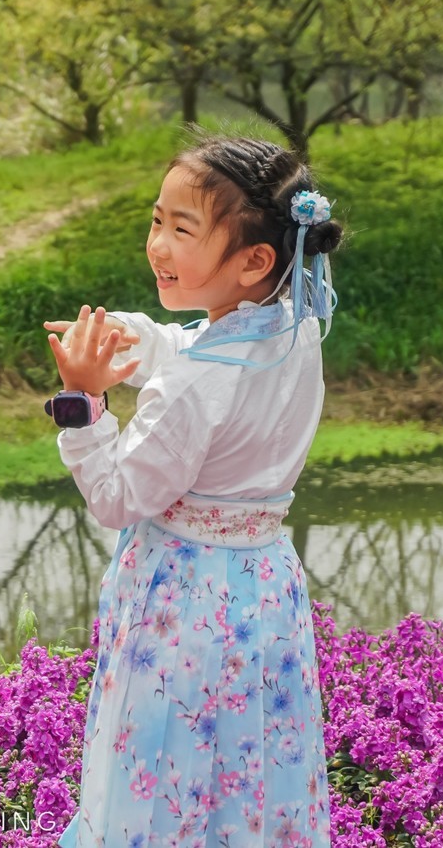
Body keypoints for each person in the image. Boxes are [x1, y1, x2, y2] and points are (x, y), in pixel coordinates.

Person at [41, 135, 339, 847]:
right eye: (157, 220)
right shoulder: (296, 327)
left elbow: (116, 499)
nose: (159, 245)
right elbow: (201, 350)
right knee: (249, 764)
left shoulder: (192, 386)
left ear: (254, 259)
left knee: (166, 769)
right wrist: (134, 338)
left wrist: (83, 402)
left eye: (183, 229)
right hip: (264, 591)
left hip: (183, 604)